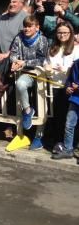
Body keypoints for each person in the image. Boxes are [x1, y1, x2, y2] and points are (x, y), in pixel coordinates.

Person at [35, 21, 79, 150]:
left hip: (70, 88)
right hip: (53, 86)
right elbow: (46, 63)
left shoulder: (76, 49)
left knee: (69, 118)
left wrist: (65, 69)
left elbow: (76, 69)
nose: (62, 35)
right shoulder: (53, 48)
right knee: (57, 117)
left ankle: (71, 144)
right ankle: (58, 142)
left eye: (65, 32)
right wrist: (47, 67)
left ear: (71, 34)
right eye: (59, 32)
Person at [10, 15, 48, 130]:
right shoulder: (19, 37)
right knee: (20, 84)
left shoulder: (42, 39)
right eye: (25, 26)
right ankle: (27, 111)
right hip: (24, 74)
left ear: (37, 27)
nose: (26, 29)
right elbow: (13, 52)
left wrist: (24, 63)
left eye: (30, 26)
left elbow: (42, 60)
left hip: (40, 74)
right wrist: (15, 61)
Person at [52, 57, 79, 159]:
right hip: (75, 99)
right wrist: (67, 87)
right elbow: (69, 79)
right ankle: (68, 149)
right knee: (69, 124)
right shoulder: (76, 63)